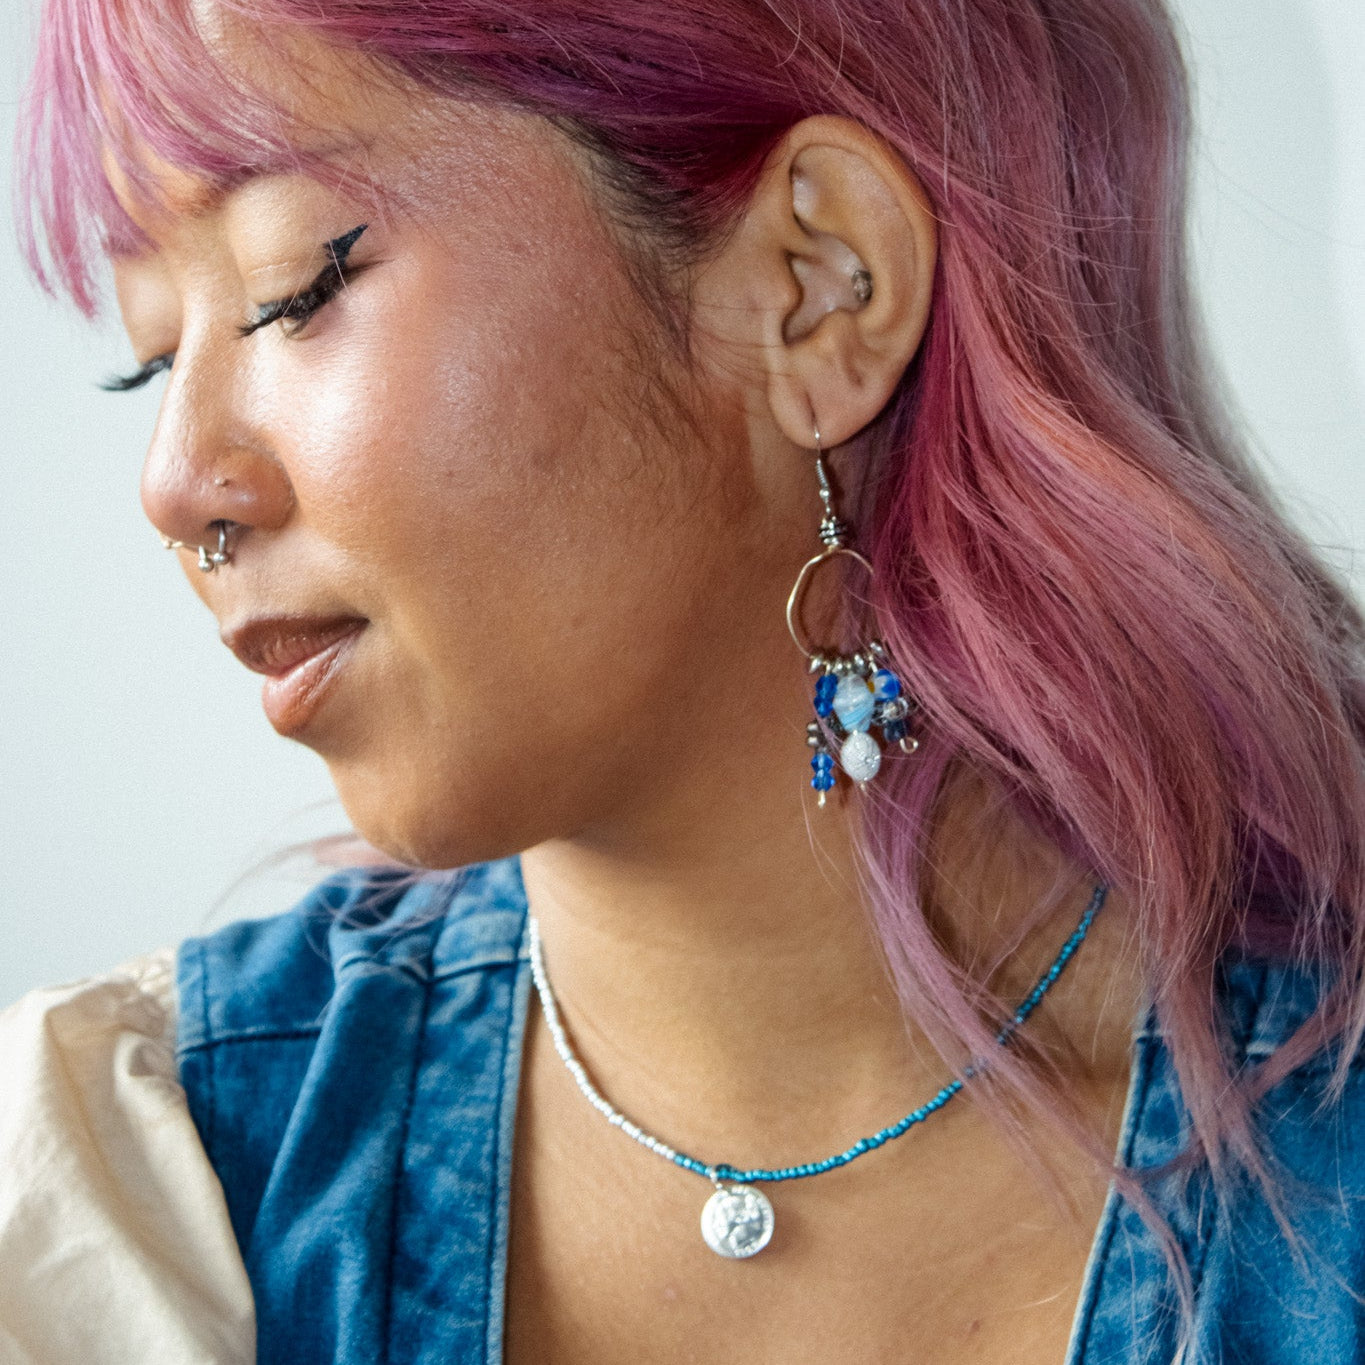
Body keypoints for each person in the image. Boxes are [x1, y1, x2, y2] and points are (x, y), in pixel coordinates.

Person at [3, 0, 1363, 1361]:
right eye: (151, 360)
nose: (178, 488)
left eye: (296, 290)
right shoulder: (133, 1208)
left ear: (819, 285)